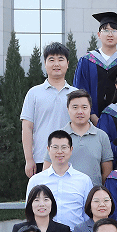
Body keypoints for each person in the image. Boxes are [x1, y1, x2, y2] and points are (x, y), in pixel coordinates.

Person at [21, 42, 77, 177]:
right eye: (51, 60)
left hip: (71, 159)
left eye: (60, 59)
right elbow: (27, 127)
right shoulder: (34, 93)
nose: (56, 64)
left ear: (67, 64)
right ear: (45, 64)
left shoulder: (76, 94)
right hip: (41, 158)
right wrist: (29, 159)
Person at [27, 130, 95, 229]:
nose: (59, 152)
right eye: (55, 147)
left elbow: (88, 214)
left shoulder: (84, 180)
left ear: (71, 150)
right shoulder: (36, 180)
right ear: (48, 149)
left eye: (64, 147)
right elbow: (29, 212)